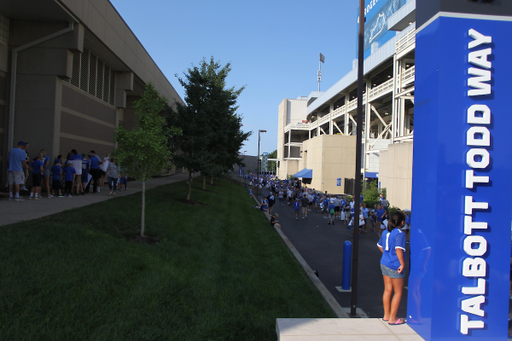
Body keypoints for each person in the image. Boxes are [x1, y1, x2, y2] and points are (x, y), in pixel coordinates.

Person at [377, 210, 407, 325]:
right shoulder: (400, 233)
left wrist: (386, 255)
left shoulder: (385, 232)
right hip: (395, 265)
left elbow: (379, 246)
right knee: (398, 292)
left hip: (384, 263)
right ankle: (393, 318)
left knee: (387, 289)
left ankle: (386, 315)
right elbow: (398, 249)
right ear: (402, 222)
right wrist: (402, 263)